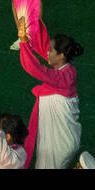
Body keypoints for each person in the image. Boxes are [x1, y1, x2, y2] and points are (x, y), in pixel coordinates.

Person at [15, 29, 82, 169]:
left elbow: (35, 69)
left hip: (58, 144)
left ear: (61, 55)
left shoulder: (64, 78)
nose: (47, 53)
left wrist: (23, 42)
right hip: (61, 140)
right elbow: (42, 45)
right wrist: (29, 31)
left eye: (51, 51)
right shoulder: (66, 70)